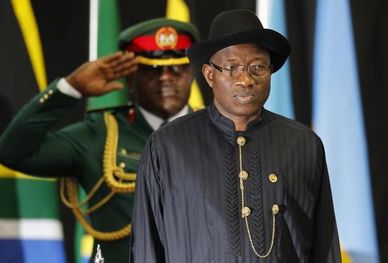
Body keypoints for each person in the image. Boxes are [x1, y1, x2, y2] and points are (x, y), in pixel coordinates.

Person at [131, 9, 341, 263]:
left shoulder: (304, 144)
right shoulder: (167, 146)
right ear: (210, 75)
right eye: (232, 68)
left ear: (270, 71)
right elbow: (146, 248)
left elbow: (324, 246)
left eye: (257, 67)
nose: (246, 80)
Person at [0, 18, 199, 263]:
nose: (165, 78)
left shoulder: (218, 133)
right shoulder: (101, 134)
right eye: (151, 69)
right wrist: (69, 88)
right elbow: (14, 152)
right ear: (129, 79)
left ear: (193, 73)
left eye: (177, 68)